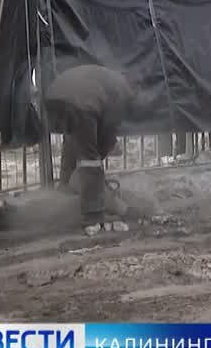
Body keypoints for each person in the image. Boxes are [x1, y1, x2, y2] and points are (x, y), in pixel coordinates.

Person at [45, 64, 149, 234]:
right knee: (90, 162)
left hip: (53, 95)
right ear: (135, 88)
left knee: (72, 140)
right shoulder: (123, 92)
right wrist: (98, 167)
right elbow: (107, 132)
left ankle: (65, 188)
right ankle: (92, 217)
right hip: (81, 102)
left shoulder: (109, 79)